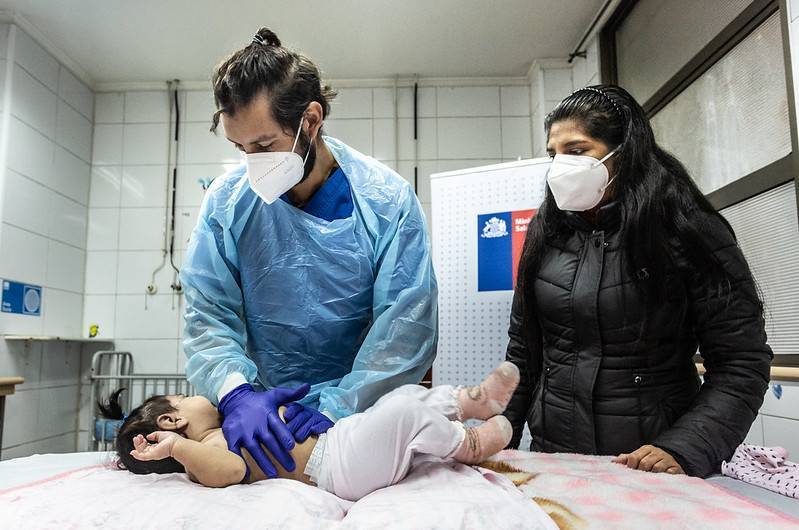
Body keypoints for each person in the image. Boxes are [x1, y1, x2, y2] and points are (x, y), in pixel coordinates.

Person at [181, 27, 437, 480]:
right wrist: (237, 393)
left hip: (360, 419)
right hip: (264, 419)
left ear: (311, 120)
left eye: (264, 145)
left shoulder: (385, 201)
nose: (252, 161)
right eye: (240, 148)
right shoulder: (227, 203)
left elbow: (404, 325)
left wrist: (342, 406)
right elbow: (208, 314)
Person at [503, 84, 772, 478]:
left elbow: (741, 362)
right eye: (553, 154)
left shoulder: (685, 228)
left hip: (653, 467)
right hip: (556, 461)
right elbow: (524, 355)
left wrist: (683, 448)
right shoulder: (548, 233)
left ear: (624, 151)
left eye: (576, 150)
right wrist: (497, 439)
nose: (560, 166)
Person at [98, 363, 519, 501]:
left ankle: (468, 402)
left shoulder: (229, 423)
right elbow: (229, 470)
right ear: (172, 422)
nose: (197, 395)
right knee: (403, 414)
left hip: (340, 442)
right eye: (184, 396)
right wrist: (180, 449)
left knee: (403, 396)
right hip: (337, 469)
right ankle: (467, 443)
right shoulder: (204, 454)